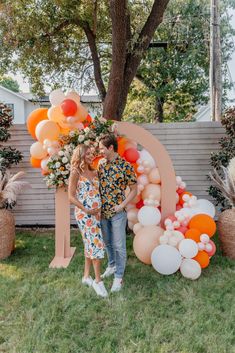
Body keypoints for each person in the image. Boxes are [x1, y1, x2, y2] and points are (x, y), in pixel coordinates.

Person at [98, 134, 137, 292]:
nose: (99, 151)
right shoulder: (101, 164)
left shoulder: (125, 166)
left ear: (111, 147)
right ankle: (112, 265)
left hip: (118, 213)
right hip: (102, 212)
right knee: (107, 242)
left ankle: (119, 277)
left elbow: (134, 190)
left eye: (101, 148)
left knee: (119, 245)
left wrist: (122, 205)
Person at [68, 144, 108, 298]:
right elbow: (71, 196)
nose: (92, 156)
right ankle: (98, 281)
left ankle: (86, 276)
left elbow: (97, 192)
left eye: (92, 153)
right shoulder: (75, 172)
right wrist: (86, 210)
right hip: (85, 215)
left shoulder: (94, 171)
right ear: (81, 155)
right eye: (88, 154)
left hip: (96, 214)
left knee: (90, 243)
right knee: (96, 244)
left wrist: (99, 210)